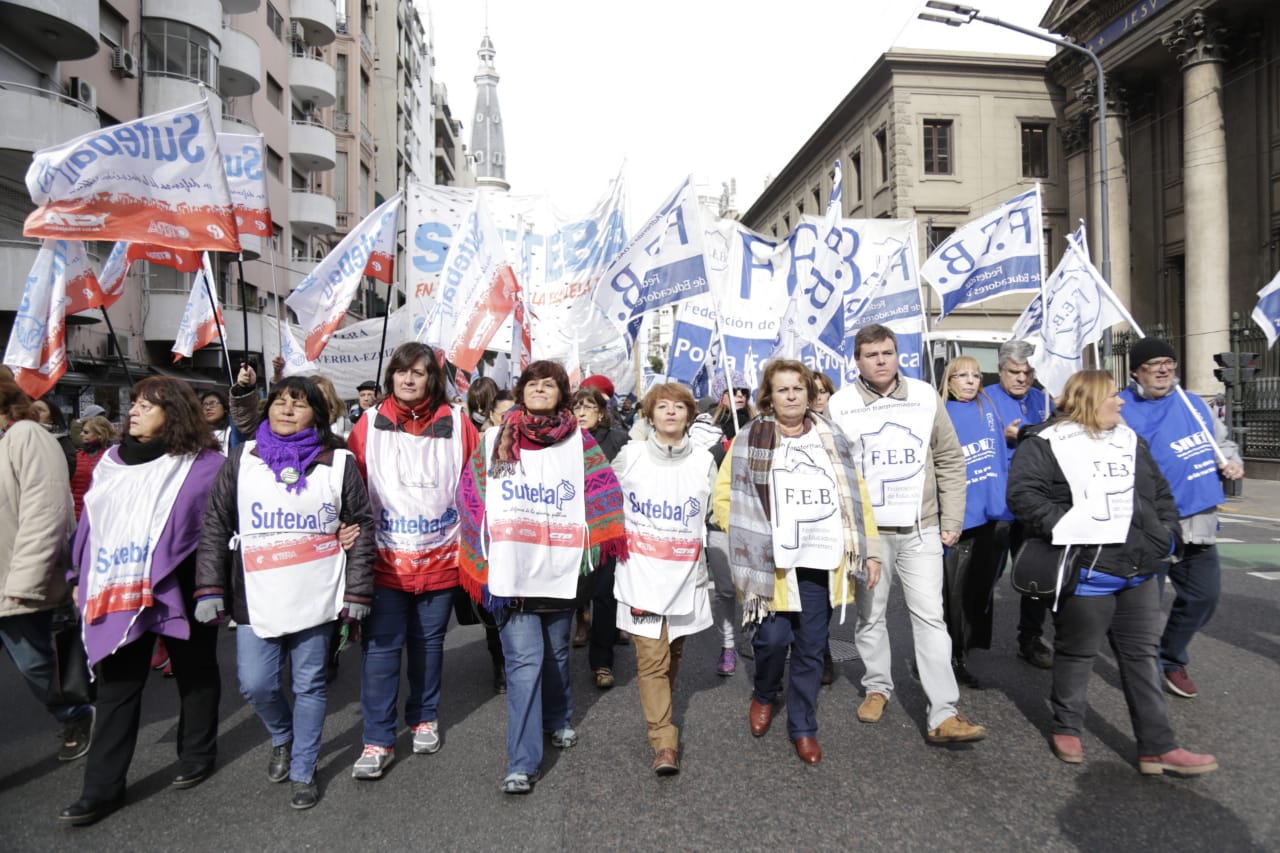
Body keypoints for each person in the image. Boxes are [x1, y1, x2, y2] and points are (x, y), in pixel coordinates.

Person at [1006, 369, 1217, 775]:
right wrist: (1071, 528)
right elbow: (1023, 495)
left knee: (1142, 657)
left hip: (1139, 568)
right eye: (1112, 395)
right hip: (1089, 569)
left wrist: (1166, 537)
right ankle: (1067, 726)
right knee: (1078, 650)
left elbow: (1159, 494)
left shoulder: (1130, 439)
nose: (1121, 401)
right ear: (1089, 399)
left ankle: (1158, 747)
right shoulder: (1046, 442)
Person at [195, 376, 376, 809]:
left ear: (317, 413)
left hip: (317, 593)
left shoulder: (339, 462)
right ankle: (282, 734)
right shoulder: (243, 458)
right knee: (256, 684)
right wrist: (208, 587)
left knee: (310, 683)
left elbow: (362, 525)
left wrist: (358, 591)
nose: (287, 409)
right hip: (255, 594)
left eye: (298, 403)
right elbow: (216, 522)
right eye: (279, 401)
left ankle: (303, 769)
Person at [60, 377, 225, 826]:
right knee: (116, 684)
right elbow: (91, 524)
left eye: (146, 406)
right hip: (118, 584)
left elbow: (218, 526)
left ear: (173, 413)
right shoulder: (110, 463)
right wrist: (77, 574)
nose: (133, 412)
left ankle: (197, 753)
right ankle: (101, 790)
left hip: (183, 582)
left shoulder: (205, 465)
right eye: (133, 404)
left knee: (194, 670)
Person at [458, 360, 627, 794]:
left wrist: (589, 554)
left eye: (548, 384)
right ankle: (522, 762)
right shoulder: (494, 440)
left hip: (560, 571)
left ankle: (558, 716)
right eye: (532, 383)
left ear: (561, 394)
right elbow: (471, 495)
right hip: (511, 573)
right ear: (520, 391)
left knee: (555, 655)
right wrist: (483, 551)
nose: (538, 389)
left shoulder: (579, 442)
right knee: (523, 664)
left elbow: (605, 494)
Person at [715, 359, 880, 765]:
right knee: (771, 641)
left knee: (811, 647)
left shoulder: (833, 438)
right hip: (770, 563)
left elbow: (856, 495)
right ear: (769, 397)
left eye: (798, 388)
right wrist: (749, 534)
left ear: (809, 393)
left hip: (820, 560)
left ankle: (803, 726)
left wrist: (871, 549)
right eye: (782, 389)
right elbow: (724, 495)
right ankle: (765, 693)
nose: (791, 396)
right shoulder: (749, 438)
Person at [828, 324, 986, 744]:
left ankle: (944, 712)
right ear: (857, 361)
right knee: (870, 616)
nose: (881, 361)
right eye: (871, 355)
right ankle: (877, 686)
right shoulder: (840, 405)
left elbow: (948, 457)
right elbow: (836, 472)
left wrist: (952, 518)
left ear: (897, 355)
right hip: (870, 534)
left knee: (931, 617)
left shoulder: (924, 395)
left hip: (922, 527)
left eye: (887, 352)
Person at [344, 342, 478, 780]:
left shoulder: (458, 423)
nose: (408, 379)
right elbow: (350, 486)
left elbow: (475, 485)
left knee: (428, 645)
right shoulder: (367, 423)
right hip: (385, 562)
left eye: (418, 372)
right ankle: (378, 739)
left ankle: (424, 716)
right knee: (381, 651)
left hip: (441, 559)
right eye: (401, 371)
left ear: (432, 379)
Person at [1118, 338, 1244, 699]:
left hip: (1197, 520)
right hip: (1150, 525)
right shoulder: (1121, 408)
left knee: (1204, 597)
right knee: (1144, 609)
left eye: (1168, 363)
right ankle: (1141, 671)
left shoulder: (1193, 403)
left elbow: (1222, 443)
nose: (1163, 370)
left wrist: (1231, 461)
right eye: (1153, 364)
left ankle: (1171, 657)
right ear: (1136, 372)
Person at [612, 383, 717, 775]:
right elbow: (602, 500)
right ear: (650, 416)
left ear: (689, 416)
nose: (671, 412)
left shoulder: (704, 461)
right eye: (662, 407)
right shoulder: (630, 456)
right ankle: (664, 739)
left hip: (686, 577)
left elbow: (716, 511)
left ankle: (660, 708)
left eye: (679, 407)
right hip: (640, 576)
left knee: (673, 652)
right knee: (652, 658)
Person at [0, 377, 93, 763]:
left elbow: (47, 511)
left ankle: (75, 713)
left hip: (16, 582)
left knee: (36, 665)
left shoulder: (27, 436)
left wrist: (25, 580)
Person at [939, 356, 1012, 688]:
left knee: (978, 590)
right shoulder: (942, 414)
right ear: (949, 380)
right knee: (952, 595)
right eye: (962, 375)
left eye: (976, 375)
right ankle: (949, 658)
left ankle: (966, 649)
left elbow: (998, 461)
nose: (970, 381)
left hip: (992, 516)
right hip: (959, 520)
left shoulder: (988, 410)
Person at [985, 339, 1054, 669]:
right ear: (1001, 371)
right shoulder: (984, 399)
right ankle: (964, 639)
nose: (1022, 378)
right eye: (1014, 372)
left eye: (1028, 373)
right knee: (986, 574)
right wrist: (1002, 437)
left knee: (1035, 574)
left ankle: (1030, 637)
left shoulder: (1044, 400)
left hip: (1034, 502)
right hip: (997, 501)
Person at [570, 385, 629, 686]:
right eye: (576, 407)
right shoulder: (563, 442)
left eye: (588, 406)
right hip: (572, 532)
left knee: (605, 595)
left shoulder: (618, 440)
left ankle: (602, 662)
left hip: (607, 530)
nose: (581, 412)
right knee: (572, 593)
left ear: (602, 412)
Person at [71, 415, 117, 520]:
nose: (81, 434)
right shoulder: (77, 456)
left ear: (100, 434)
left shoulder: (110, 457)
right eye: (82, 431)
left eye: (86, 432)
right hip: (77, 514)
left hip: (100, 515)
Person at [32, 397, 76, 476]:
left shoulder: (61, 439)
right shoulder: (20, 435)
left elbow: (69, 468)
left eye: (40, 410)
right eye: (31, 410)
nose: (34, 413)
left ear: (52, 418)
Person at [200, 389, 233, 455]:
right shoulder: (197, 433)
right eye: (204, 405)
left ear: (225, 408)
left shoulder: (232, 432)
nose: (208, 408)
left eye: (213, 403)